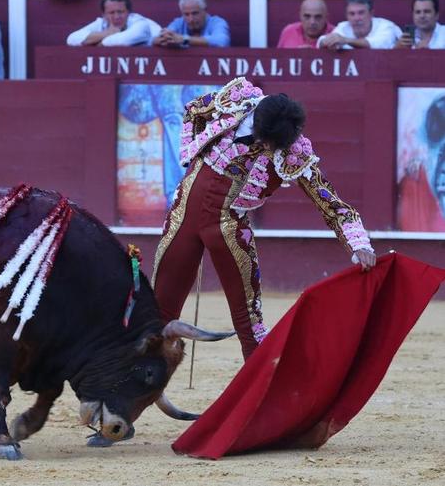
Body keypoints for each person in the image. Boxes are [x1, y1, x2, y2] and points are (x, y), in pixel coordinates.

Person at [152, 77, 376, 360]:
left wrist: (359, 245)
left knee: (250, 324)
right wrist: (191, 155)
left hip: (228, 229)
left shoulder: (294, 151)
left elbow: (331, 204)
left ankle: (262, 395)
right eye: (267, 142)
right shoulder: (234, 101)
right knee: (157, 313)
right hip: (182, 215)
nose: (268, 148)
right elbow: (193, 110)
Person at [66, 0, 160, 46]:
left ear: (129, 12)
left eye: (121, 12)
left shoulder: (140, 22)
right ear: (104, 15)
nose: (117, 16)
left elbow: (123, 40)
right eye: (111, 13)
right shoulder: (101, 23)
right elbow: (71, 39)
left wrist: (100, 44)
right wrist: (106, 33)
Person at [318, 0, 401, 49]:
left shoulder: (386, 26)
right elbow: (321, 41)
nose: (356, 18)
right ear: (347, 16)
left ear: (371, 13)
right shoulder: (343, 27)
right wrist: (326, 42)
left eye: (361, 13)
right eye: (352, 14)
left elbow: (376, 45)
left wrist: (345, 40)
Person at [153, 0, 230, 48]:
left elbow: (222, 42)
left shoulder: (217, 22)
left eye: (195, 13)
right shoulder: (178, 22)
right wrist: (162, 39)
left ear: (205, 10)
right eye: (186, 14)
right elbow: (153, 40)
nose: (191, 19)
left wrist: (185, 40)